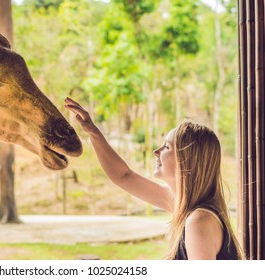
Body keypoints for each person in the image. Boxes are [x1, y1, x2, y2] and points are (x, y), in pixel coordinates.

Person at [64, 97, 244, 260]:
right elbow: (123, 176)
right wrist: (93, 132)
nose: (155, 152)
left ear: (186, 160)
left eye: (166, 147)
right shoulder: (183, 205)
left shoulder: (199, 221)